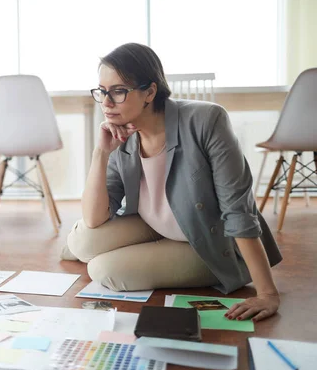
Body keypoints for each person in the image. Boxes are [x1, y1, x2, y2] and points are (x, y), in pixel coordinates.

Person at [61, 43, 282, 322]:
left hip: (205, 240)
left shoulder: (206, 120)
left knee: (103, 270)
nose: (106, 102)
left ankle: (93, 249)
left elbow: (238, 210)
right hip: (155, 225)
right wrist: (101, 152)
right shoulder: (123, 136)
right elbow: (95, 218)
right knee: (85, 237)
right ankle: (82, 245)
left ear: (150, 92)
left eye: (118, 91)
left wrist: (267, 293)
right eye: (102, 91)